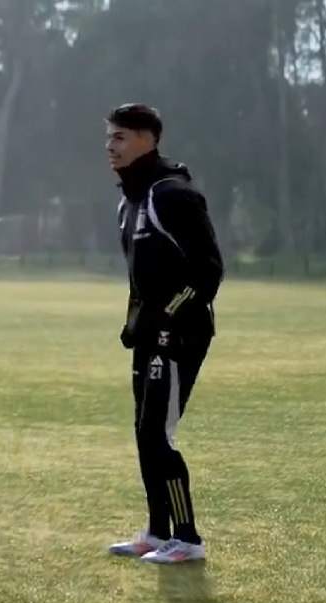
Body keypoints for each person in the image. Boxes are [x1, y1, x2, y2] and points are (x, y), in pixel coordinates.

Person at [104, 103, 225, 564]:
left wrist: (168, 319)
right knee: (144, 431)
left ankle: (187, 538)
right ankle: (157, 532)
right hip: (151, 336)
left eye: (120, 137)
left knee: (158, 434)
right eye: (109, 137)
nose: (110, 146)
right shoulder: (129, 200)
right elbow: (142, 280)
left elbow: (208, 272)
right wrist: (137, 323)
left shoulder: (172, 195)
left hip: (182, 335)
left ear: (147, 140)